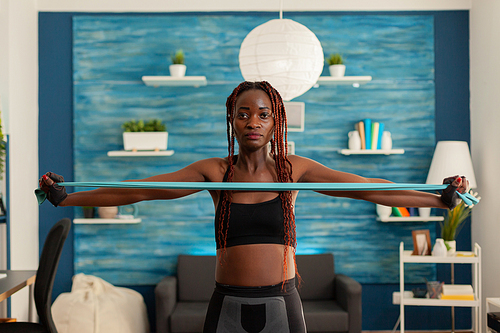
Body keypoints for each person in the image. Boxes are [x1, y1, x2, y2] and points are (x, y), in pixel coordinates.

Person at [39, 81, 468, 333]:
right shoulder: (215, 171)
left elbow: (368, 188)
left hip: (284, 302)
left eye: (263, 114)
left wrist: (439, 199)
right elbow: (135, 189)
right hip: (225, 303)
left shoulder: (292, 170)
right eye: (244, 114)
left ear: (275, 120)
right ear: (233, 120)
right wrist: (67, 197)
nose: (253, 122)